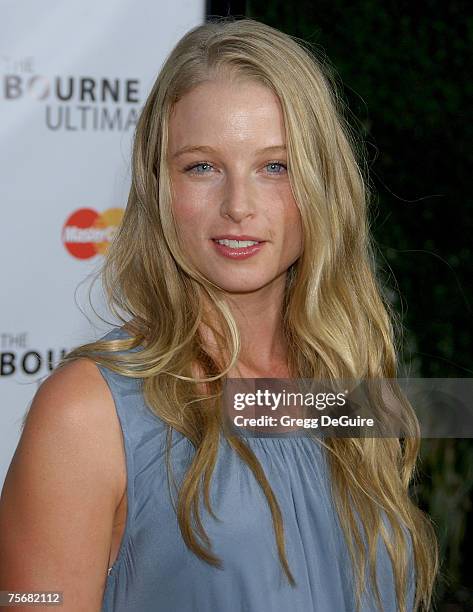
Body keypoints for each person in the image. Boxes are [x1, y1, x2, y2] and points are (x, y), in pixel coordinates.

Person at [0, 16, 438, 612]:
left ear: (322, 184)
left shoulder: (349, 388)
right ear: (159, 187)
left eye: (274, 166)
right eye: (202, 167)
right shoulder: (87, 415)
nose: (238, 206)